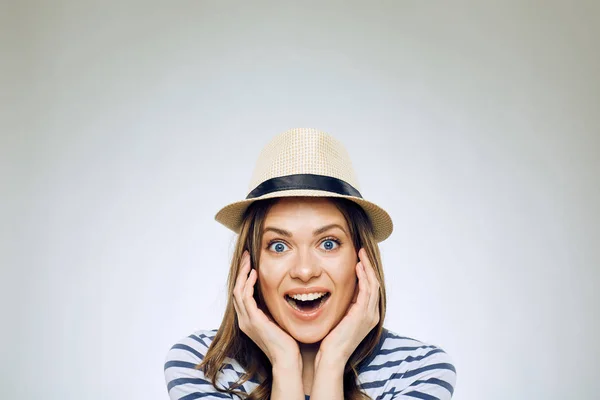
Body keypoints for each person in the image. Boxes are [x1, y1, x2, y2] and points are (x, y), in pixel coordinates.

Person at [164, 128, 456, 400]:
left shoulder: (418, 369)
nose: (304, 271)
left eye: (328, 243)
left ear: (361, 257)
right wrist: (284, 362)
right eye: (279, 246)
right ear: (250, 262)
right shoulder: (202, 364)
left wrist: (332, 360)